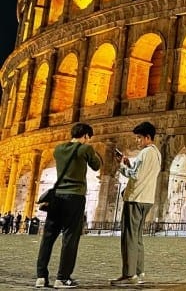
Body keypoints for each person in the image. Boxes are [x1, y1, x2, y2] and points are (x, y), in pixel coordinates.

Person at [35, 122, 101, 289]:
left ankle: (41, 277)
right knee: (70, 238)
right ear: (86, 136)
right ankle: (62, 278)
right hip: (75, 197)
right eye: (88, 137)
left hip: (57, 197)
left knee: (48, 237)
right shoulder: (85, 149)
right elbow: (96, 165)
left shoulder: (58, 149)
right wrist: (91, 150)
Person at [111, 121, 162, 286]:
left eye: (139, 138)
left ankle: (129, 275)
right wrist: (129, 164)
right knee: (137, 237)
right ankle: (139, 272)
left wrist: (121, 166)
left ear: (148, 137)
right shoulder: (156, 153)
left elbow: (134, 174)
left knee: (129, 238)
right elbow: (142, 173)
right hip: (146, 199)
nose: (137, 141)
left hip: (135, 199)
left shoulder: (145, 153)